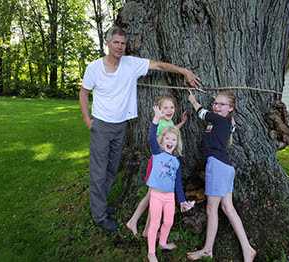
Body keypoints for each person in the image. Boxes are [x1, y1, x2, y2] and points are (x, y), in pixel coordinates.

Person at [79, 27, 200, 232]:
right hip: (101, 125)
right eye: (116, 42)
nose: (120, 46)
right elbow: (83, 93)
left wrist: (183, 71)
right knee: (98, 172)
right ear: (107, 43)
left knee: (111, 169)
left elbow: (159, 66)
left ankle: (101, 204)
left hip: (121, 126)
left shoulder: (131, 64)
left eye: (123, 43)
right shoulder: (94, 68)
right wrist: (87, 120)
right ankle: (99, 216)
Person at [186, 89, 256, 261]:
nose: (217, 106)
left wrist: (192, 100)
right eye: (215, 103)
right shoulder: (226, 122)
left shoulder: (218, 119)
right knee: (227, 208)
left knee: (212, 210)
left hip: (217, 166)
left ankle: (207, 250)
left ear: (230, 108)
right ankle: (247, 249)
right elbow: (232, 126)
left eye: (221, 104)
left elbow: (202, 113)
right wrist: (229, 119)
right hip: (225, 168)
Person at [126, 94, 187, 237]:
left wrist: (182, 122)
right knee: (152, 195)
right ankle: (136, 222)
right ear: (159, 110)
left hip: (164, 164)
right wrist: (156, 119)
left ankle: (142, 226)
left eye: (171, 107)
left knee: (152, 196)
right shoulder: (160, 123)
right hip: (157, 165)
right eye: (165, 108)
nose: (169, 110)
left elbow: (173, 130)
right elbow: (156, 137)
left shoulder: (169, 123)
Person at [146, 105, 193, 262]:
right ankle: (151, 252)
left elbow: (178, 183)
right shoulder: (157, 152)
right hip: (156, 195)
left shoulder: (176, 161)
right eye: (167, 138)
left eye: (174, 139)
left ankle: (163, 243)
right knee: (155, 222)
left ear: (177, 143)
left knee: (169, 221)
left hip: (169, 196)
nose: (170, 141)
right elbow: (151, 137)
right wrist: (156, 119)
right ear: (162, 140)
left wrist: (182, 200)